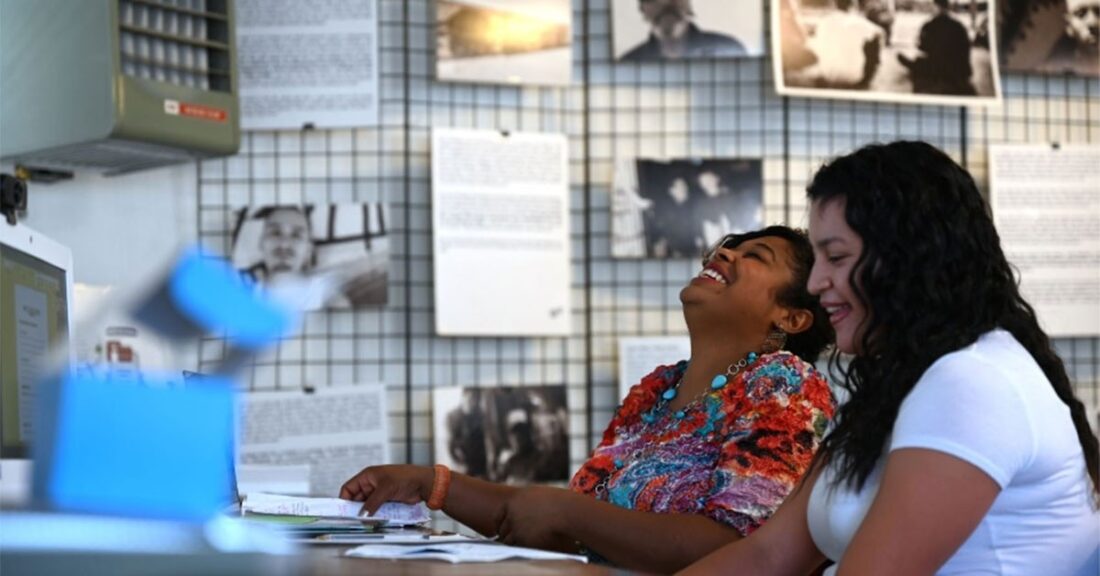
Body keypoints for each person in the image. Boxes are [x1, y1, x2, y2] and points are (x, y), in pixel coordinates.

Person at [680, 141, 1100, 576]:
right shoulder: (888, 388)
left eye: (837, 257)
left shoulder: (971, 381)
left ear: (909, 259)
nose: (818, 281)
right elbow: (767, 555)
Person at [340, 225, 836, 573]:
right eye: (729, 246)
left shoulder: (784, 387)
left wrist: (566, 513)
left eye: (756, 256)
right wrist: (430, 483)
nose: (724, 254)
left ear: (791, 319)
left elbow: (741, 549)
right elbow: (555, 517)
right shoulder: (656, 390)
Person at [620, 0, 746, 61]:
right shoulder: (629, 62)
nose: (666, 3)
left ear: (689, 4)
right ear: (642, 10)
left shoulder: (729, 50)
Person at [898, 0, 975, 95]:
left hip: (940, 69)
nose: (930, 9)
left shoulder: (929, 25)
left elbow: (923, 47)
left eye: (932, 6)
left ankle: (915, 66)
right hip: (961, 70)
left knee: (921, 61)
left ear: (936, 6)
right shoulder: (959, 26)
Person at [803, 0, 883, 89]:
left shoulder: (824, 21)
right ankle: (868, 77)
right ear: (853, 4)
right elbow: (880, 33)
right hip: (853, 77)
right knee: (874, 37)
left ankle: (829, 66)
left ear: (835, 4)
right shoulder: (857, 21)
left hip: (827, 75)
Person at [1043, 0, 1100, 76]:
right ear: (1068, 25)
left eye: (1099, 12)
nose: (1092, 21)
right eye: (1080, 14)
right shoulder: (1053, 71)